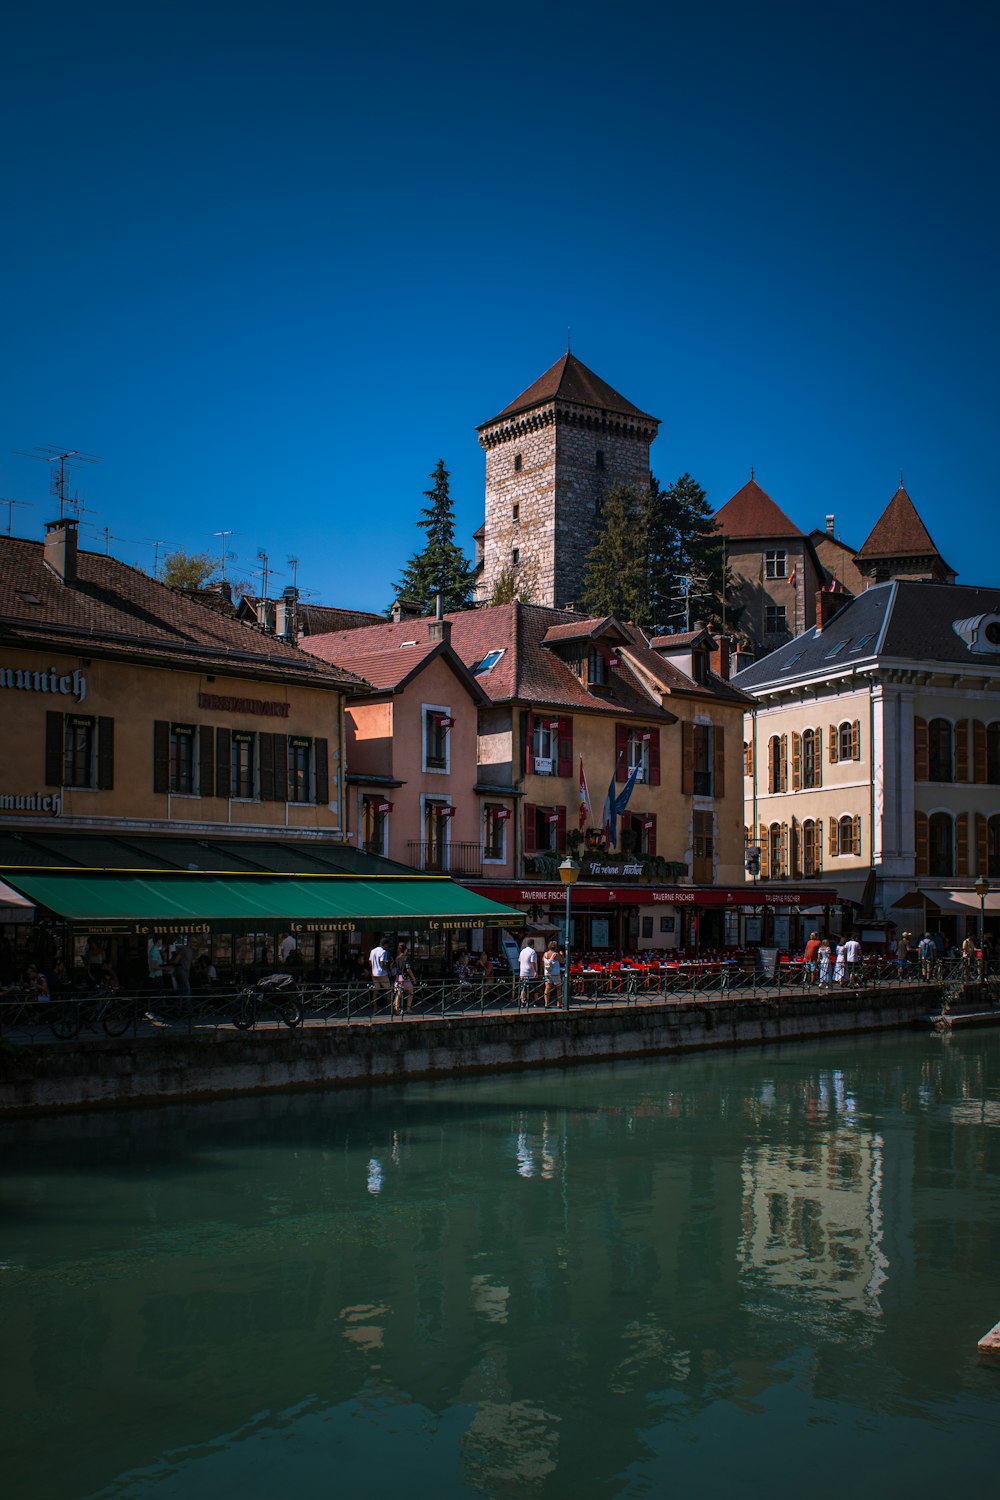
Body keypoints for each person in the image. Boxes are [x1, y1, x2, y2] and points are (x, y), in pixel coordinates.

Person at [392, 942, 416, 1014]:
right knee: (411, 992)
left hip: (398, 977)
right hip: (405, 978)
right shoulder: (406, 958)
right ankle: (408, 1008)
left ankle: (396, 1008)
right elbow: (408, 969)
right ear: (405, 950)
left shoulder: (397, 958)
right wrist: (413, 978)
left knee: (398, 993)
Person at [369, 937, 390, 1008]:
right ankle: (391, 1007)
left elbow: (370, 962)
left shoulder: (372, 951)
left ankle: (374, 1007)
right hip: (382, 973)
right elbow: (382, 963)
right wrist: (388, 971)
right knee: (388, 990)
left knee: (376, 990)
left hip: (374, 973)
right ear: (386, 945)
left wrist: (373, 968)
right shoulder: (383, 952)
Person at [518, 940, 538, 1008]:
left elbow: (520, 961)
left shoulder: (522, 951)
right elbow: (533, 962)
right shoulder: (532, 952)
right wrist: (535, 971)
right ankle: (535, 1001)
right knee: (534, 988)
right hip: (530, 973)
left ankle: (523, 1002)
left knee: (523, 988)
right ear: (533, 944)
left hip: (522, 972)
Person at [542, 943, 562, 1008]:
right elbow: (563, 961)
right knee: (559, 988)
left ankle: (546, 1003)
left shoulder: (545, 954)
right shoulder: (556, 954)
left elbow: (542, 962)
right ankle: (559, 1003)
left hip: (547, 972)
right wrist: (562, 955)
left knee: (547, 988)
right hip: (555, 973)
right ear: (555, 947)